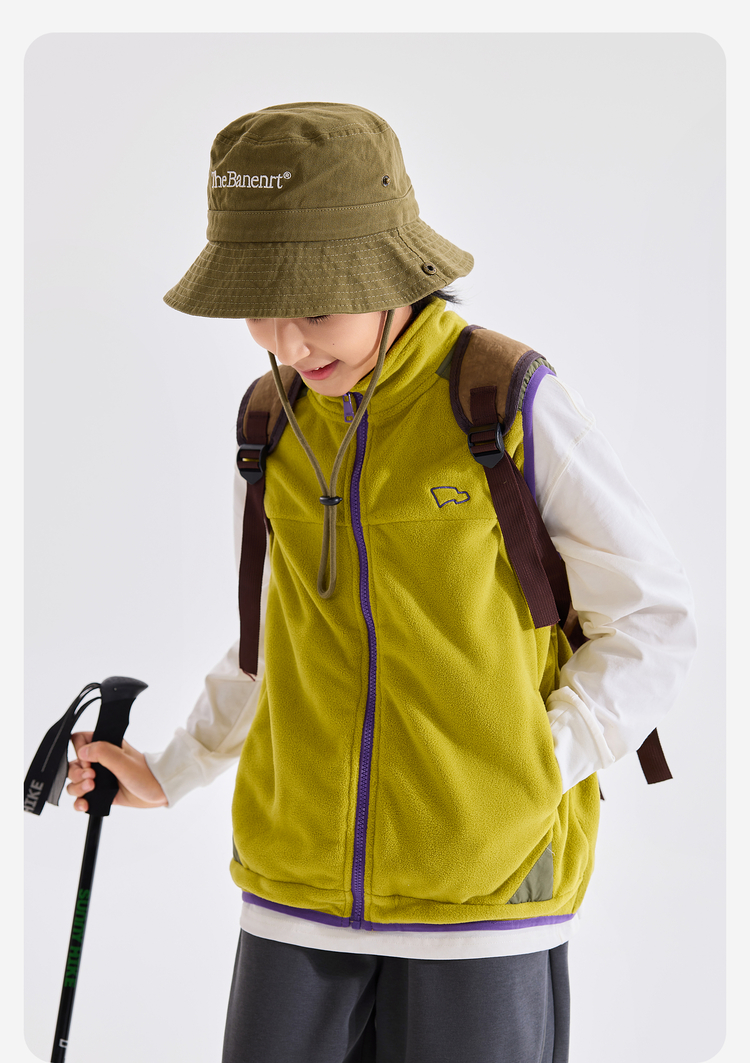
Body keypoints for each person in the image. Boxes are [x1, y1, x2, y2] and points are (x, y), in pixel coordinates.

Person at [66, 102, 696, 1063]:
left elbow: (652, 618)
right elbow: (271, 638)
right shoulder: (268, 423)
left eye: (316, 309)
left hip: (482, 898)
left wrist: (532, 763)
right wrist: (175, 768)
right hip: (294, 894)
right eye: (261, 308)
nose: (288, 341)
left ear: (391, 277)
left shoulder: (501, 399)